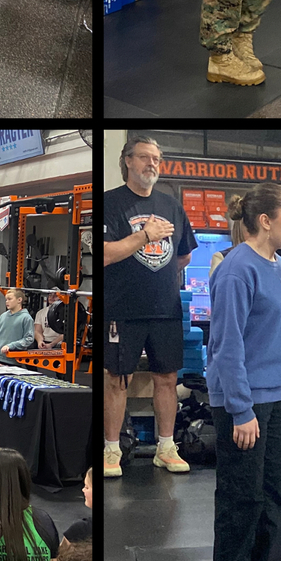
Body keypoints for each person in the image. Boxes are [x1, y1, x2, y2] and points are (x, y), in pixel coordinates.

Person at [205, 184, 281, 561]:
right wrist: (241, 409)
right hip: (241, 401)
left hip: (279, 396)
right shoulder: (236, 269)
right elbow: (227, 346)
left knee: (276, 492)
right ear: (266, 221)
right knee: (241, 494)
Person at [104, 135, 197, 477]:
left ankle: (166, 447)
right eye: (144, 157)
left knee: (167, 379)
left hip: (165, 308)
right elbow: (104, 254)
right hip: (122, 308)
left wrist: (156, 275)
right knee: (116, 379)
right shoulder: (110, 202)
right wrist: (144, 236)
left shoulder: (170, 204)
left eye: (156, 159)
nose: (152, 164)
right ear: (127, 161)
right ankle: (111, 450)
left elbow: (184, 253)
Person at [0, 288, 35, 365]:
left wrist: (11, 346)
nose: (7, 302)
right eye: (6, 299)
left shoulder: (26, 318)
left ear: (19, 300)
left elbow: (28, 339)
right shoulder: (3, 316)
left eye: (10, 299)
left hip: (12, 361)